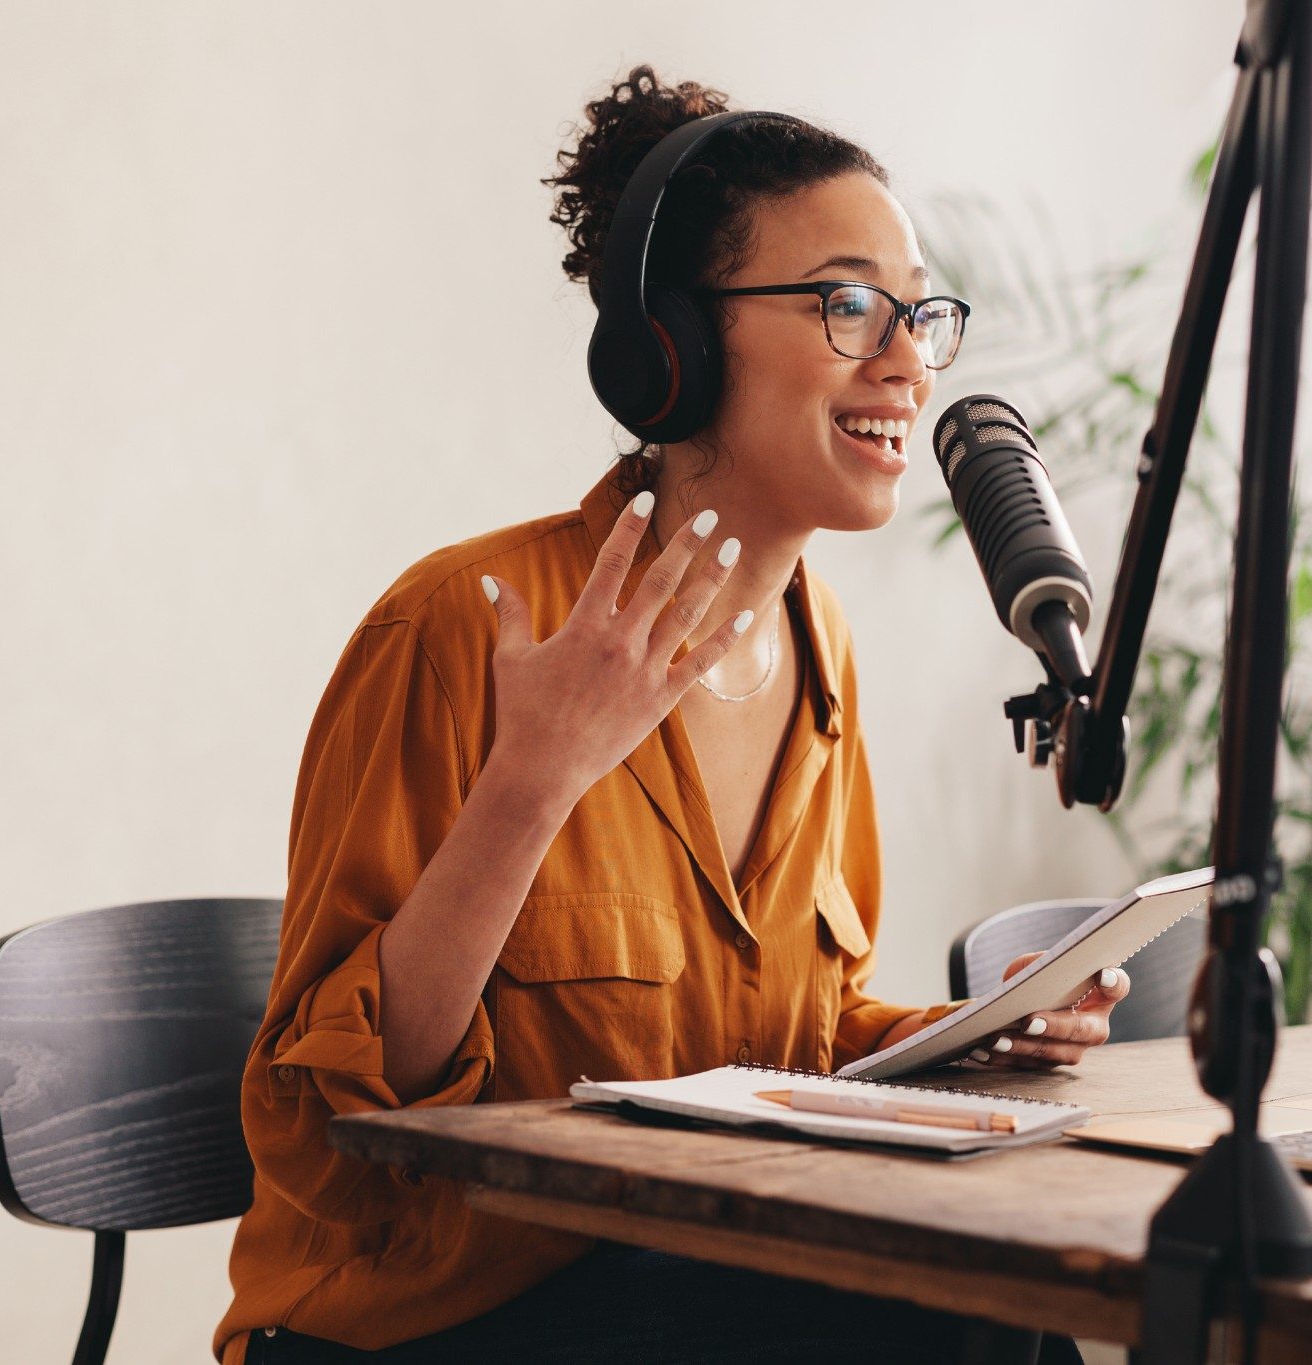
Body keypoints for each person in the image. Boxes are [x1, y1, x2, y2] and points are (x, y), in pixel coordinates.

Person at [214, 65, 1129, 1364]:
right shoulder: (460, 626)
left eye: (922, 314)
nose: (909, 359)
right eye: (849, 305)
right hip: (428, 1312)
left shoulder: (821, 655)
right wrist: (533, 780)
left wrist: (977, 1037)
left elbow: (788, 1035)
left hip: (697, 1274)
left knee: (1004, 1308)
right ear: (674, 348)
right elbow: (332, 1132)